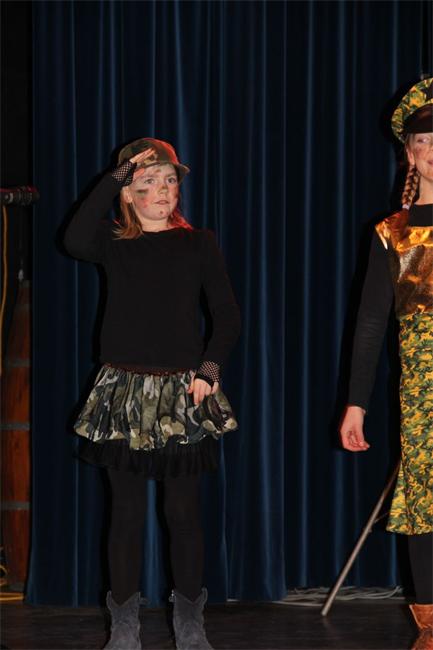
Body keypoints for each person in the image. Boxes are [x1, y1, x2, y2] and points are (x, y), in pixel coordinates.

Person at [64, 138, 241, 650]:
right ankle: (124, 625)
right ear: (128, 194)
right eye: (148, 182)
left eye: (169, 181)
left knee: (182, 513)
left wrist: (210, 367)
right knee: (125, 513)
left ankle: (189, 622)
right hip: (122, 392)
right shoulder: (111, 242)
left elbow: (226, 314)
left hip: (183, 393)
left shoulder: (198, 243)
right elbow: (73, 238)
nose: (162, 191)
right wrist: (116, 176)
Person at [339, 77, 433, 650]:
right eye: (424, 141)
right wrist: (357, 403)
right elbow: (371, 323)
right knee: (426, 498)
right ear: (410, 154)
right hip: (424, 393)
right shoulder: (392, 233)